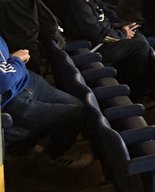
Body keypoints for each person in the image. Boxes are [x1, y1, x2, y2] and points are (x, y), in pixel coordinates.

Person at [45, 0, 150, 92]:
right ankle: (133, 90)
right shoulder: (75, 2)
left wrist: (119, 27)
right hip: (88, 46)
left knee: (137, 33)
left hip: (90, 36)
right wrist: (123, 34)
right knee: (140, 45)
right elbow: (97, 34)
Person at [0, 31, 91, 169]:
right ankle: (53, 156)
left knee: (77, 105)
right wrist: (17, 60)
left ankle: (21, 148)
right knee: (73, 113)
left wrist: (12, 60)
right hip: (12, 99)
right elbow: (4, 81)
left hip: (26, 79)